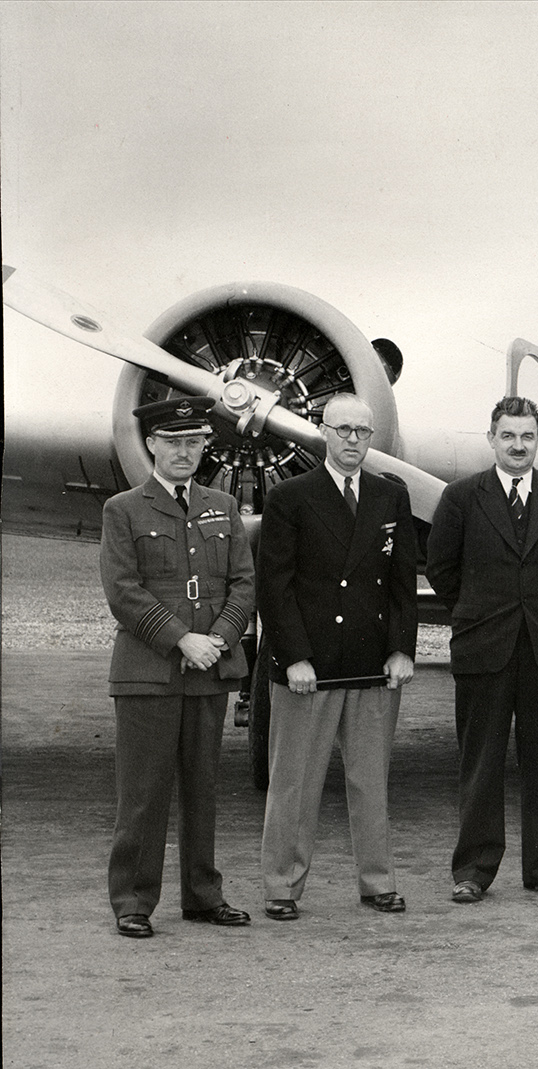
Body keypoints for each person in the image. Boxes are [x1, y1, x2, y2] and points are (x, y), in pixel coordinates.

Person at [256, 392, 419, 920]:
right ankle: (282, 886)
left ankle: (378, 882)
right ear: (323, 431)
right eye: (343, 430)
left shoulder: (389, 496)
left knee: (371, 782)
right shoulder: (290, 497)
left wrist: (401, 649)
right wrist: (294, 657)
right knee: (294, 784)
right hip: (310, 667)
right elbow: (274, 587)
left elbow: (401, 586)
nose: (353, 440)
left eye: (362, 432)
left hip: (372, 664)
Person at [99, 397, 256, 938]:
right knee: (143, 792)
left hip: (209, 669)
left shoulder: (223, 506)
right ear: (151, 445)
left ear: (204, 445)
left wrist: (219, 638)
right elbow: (123, 591)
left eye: (194, 441)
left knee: (203, 789)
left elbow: (243, 583)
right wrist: (181, 638)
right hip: (148, 674)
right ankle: (134, 901)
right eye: (173, 442)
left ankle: (203, 895)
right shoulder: (123, 509)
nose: (184, 452)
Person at [427, 396, 538, 904]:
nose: (518, 446)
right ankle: (474, 870)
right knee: (482, 760)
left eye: (528, 436)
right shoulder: (460, 497)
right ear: (491, 438)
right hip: (484, 648)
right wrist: (480, 612)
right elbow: (442, 571)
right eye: (508, 436)